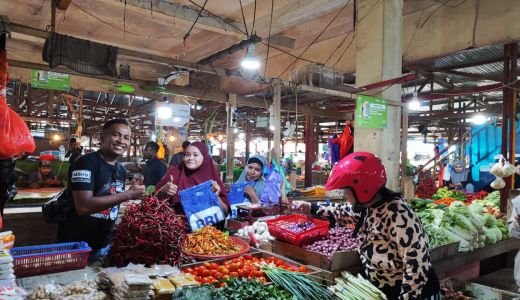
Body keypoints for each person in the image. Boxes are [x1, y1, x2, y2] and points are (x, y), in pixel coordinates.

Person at [292, 152, 440, 299]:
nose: (346, 196)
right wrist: (310, 207)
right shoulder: (369, 207)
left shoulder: (398, 214)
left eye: (347, 191)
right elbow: (343, 212)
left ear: (362, 188)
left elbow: (417, 264)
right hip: (386, 291)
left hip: (415, 294)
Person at [56, 119, 145, 251]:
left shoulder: (120, 170)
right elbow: (83, 206)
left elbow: (113, 199)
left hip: (103, 245)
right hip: (76, 246)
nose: (121, 141)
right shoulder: (86, 163)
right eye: (116, 135)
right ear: (102, 137)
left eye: (126, 137)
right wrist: (128, 194)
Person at [155, 141, 230, 216]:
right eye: (187, 155)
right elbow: (152, 201)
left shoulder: (213, 181)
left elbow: (225, 212)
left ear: (204, 157)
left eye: (195, 155)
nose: (190, 158)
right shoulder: (174, 175)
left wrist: (216, 197)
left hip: (208, 227)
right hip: (177, 225)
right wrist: (161, 192)